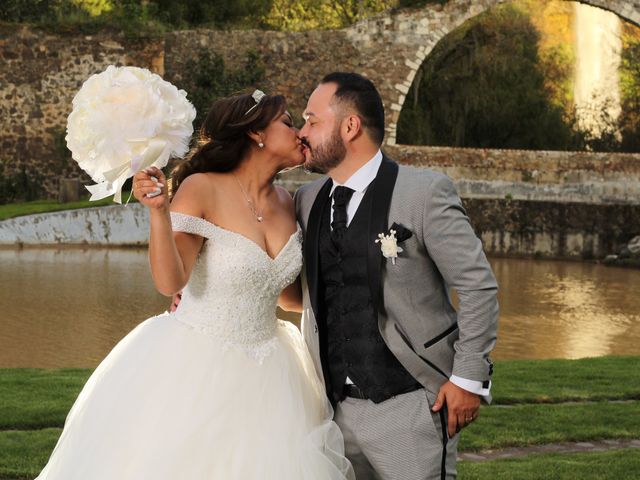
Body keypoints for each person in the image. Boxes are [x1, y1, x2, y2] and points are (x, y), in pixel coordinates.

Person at [35, 91, 354, 480]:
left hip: (271, 372)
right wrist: (158, 213)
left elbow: (289, 298)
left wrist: (357, 281)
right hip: (198, 360)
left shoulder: (290, 203)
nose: (299, 131)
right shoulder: (202, 187)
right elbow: (170, 280)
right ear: (256, 133)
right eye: (287, 122)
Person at [294, 72, 499, 480]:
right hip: (330, 410)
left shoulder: (423, 193)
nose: (302, 132)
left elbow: (478, 287)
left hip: (411, 406)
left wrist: (468, 379)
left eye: (311, 120)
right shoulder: (306, 200)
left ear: (350, 126)